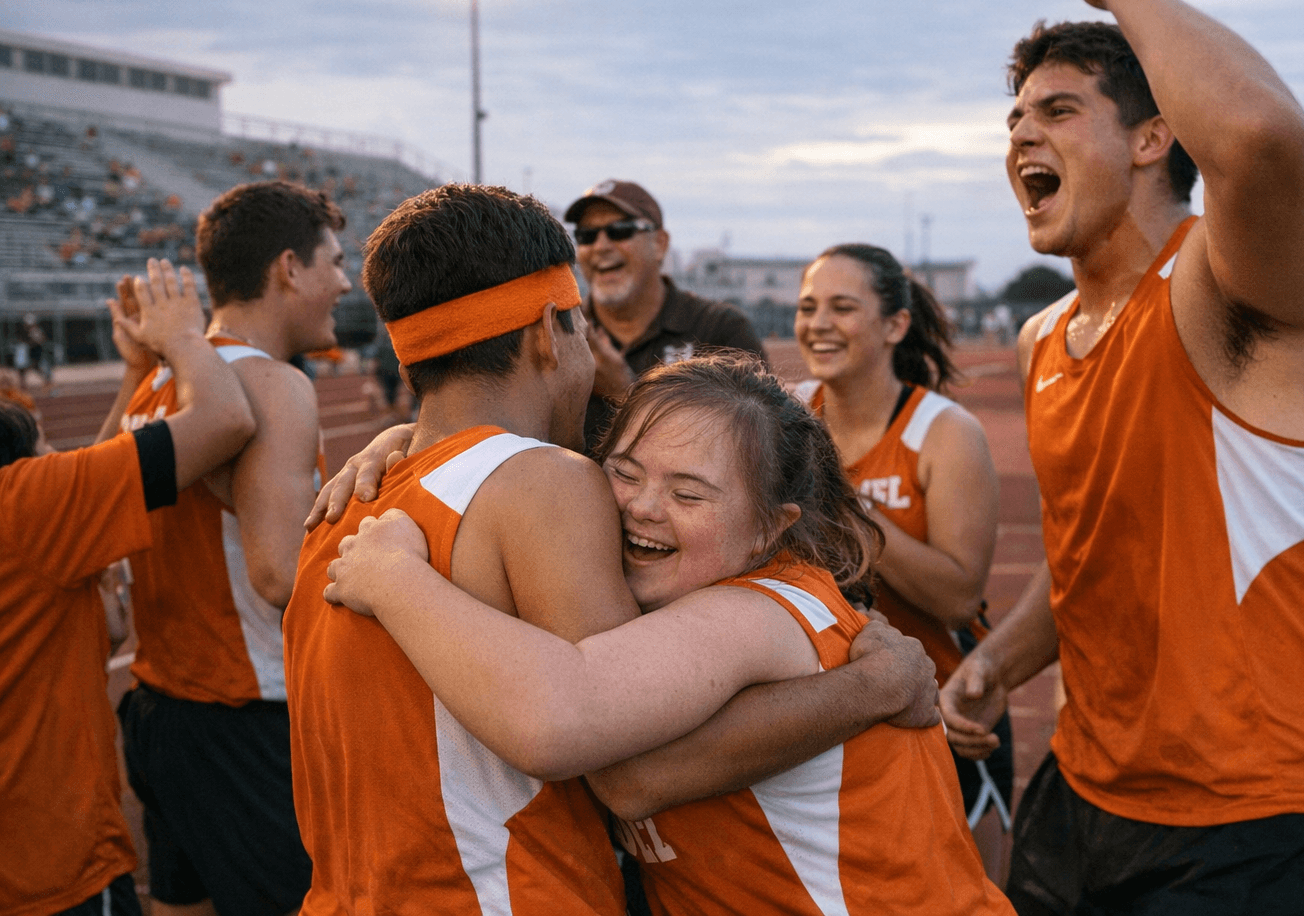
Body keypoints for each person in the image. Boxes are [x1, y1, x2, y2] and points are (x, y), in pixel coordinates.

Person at [938, 0, 1304, 913]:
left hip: (1274, 815)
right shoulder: (1048, 340)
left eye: (1062, 110)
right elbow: (1100, 558)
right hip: (1087, 797)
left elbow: (1261, 138)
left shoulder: (1225, 286)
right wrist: (998, 659)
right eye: (1016, 118)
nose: (1024, 134)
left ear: (1154, 136)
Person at [286, 186, 939, 913]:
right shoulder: (545, 484)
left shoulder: (347, 508)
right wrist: (877, 685)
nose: (633, 500)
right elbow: (628, 766)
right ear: (548, 332)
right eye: (581, 331)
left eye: (689, 492)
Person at [319, 353, 1013, 916]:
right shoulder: (683, 594)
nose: (643, 508)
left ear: (774, 526)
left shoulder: (755, 611)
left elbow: (614, 760)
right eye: (623, 474)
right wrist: (416, 441)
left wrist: (395, 581)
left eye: (689, 495)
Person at [102, 181, 352, 916]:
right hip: (245, 719)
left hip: (160, 711)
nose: (343, 280)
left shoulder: (158, 377)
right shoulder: (270, 384)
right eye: (333, 261)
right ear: (288, 269)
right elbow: (280, 574)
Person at [1, 261, 255, 916]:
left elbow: (84, 480)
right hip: (52, 869)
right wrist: (183, 340)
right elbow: (225, 418)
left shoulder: (33, 513)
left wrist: (138, 378)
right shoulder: (23, 509)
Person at [793, 243, 1011, 871]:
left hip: (939, 712)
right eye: (809, 307)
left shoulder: (942, 432)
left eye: (842, 307)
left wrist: (851, 510)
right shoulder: (785, 418)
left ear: (894, 325)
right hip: (825, 723)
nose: (818, 324)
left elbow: (958, 596)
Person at [565, 179, 764, 450]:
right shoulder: (562, 332)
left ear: (659, 244)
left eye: (620, 231)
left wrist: (624, 392)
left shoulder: (719, 330)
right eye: (586, 235)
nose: (601, 246)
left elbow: (755, 447)